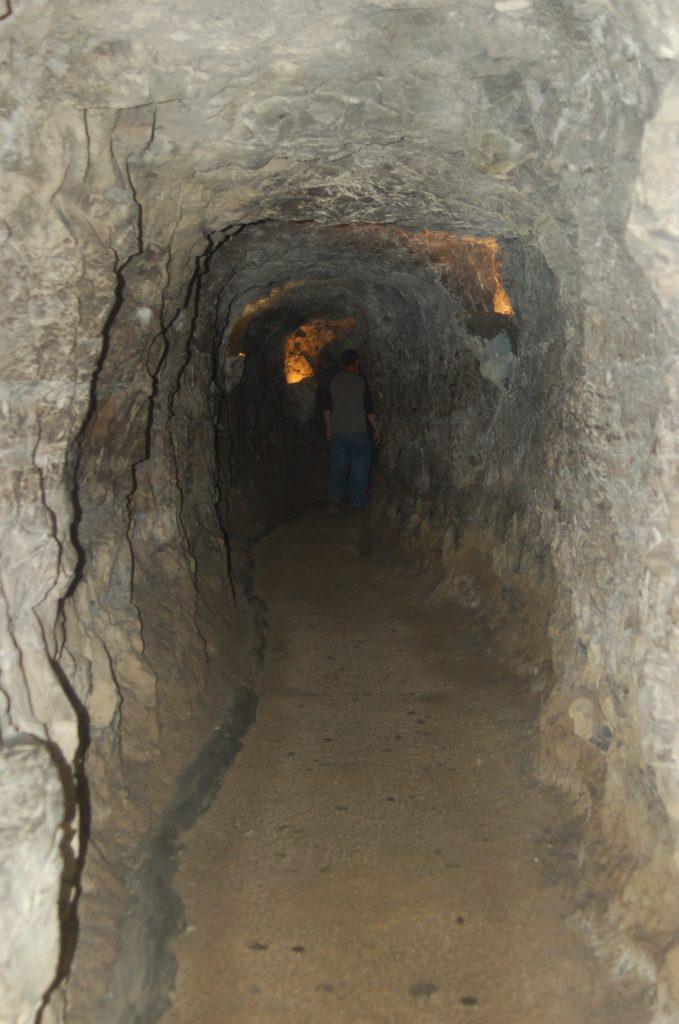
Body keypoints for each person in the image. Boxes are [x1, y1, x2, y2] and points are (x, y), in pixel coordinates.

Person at [321, 349, 380, 511]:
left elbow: (326, 407)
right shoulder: (361, 381)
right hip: (359, 431)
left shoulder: (334, 381)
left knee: (338, 467)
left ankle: (334, 501)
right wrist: (375, 428)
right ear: (357, 362)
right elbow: (368, 408)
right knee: (360, 468)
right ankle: (358, 502)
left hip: (338, 431)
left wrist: (328, 426)